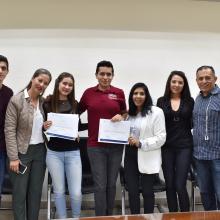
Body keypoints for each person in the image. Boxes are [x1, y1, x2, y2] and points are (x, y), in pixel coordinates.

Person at [79, 60, 127, 216]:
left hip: (115, 146)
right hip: (95, 146)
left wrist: (122, 116)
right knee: (100, 185)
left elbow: (125, 113)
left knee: (111, 184)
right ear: (96, 75)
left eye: (109, 74)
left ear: (112, 75)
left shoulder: (119, 93)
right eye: (102, 74)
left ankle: (109, 215)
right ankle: (100, 217)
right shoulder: (88, 93)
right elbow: (75, 112)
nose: (105, 77)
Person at [4, 68, 52, 220]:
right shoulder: (16, 100)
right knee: (20, 194)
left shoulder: (44, 103)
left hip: (40, 152)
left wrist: (45, 127)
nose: (42, 85)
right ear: (32, 79)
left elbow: (41, 127)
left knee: (35, 193)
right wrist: (13, 157)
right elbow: (9, 130)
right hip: (21, 153)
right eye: (40, 80)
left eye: (45, 83)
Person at [43, 72, 87, 219]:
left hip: (73, 152)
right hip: (53, 153)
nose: (67, 87)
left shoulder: (75, 104)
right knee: (59, 190)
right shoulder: (47, 103)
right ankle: (62, 218)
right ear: (58, 84)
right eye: (64, 83)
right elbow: (40, 128)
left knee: (76, 192)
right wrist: (44, 127)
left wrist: (97, 123)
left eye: (70, 85)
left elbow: (78, 126)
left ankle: (76, 217)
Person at [124, 82, 166, 214]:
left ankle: (149, 217)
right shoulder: (128, 114)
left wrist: (141, 143)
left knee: (148, 192)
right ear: (131, 96)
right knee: (132, 192)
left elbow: (161, 137)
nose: (138, 96)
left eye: (141, 93)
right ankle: (135, 217)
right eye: (135, 93)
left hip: (147, 154)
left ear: (146, 95)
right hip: (130, 155)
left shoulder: (156, 112)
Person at [157, 71, 194, 212]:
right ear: (169, 83)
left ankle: (185, 215)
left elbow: (193, 123)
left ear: (184, 85)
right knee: (170, 185)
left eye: (180, 82)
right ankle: (173, 214)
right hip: (166, 147)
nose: (176, 85)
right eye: (174, 81)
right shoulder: (161, 101)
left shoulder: (190, 101)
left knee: (179, 184)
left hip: (184, 146)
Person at [193, 65, 220, 211]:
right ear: (196, 80)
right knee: (205, 194)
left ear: (215, 79)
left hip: (217, 156)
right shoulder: (198, 99)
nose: (204, 81)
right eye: (201, 78)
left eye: (207, 78)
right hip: (200, 156)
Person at [0, 55, 13, 206]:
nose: (0, 71)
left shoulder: (9, 93)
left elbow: (9, 123)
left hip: (1, 151)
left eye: (3, 68)